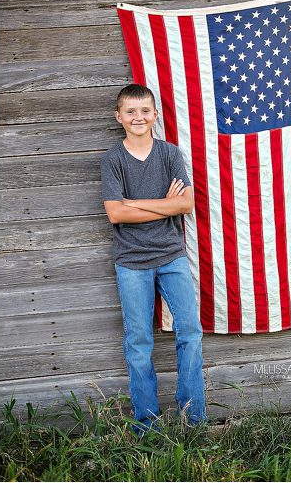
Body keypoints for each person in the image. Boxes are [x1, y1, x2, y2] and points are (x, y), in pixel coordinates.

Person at [100, 83, 206, 434]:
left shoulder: (170, 154)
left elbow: (186, 204)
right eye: (130, 111)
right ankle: (146, 424)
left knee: (189, 332)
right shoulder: (113, 160)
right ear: (119, 117)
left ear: (155, 115)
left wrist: (134, 202)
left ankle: (193, 418)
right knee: (139, 341)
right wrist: (162, 204)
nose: (138, 117)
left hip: (172, 256)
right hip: (131, 261)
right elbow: (115, 214)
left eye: (145, 110)